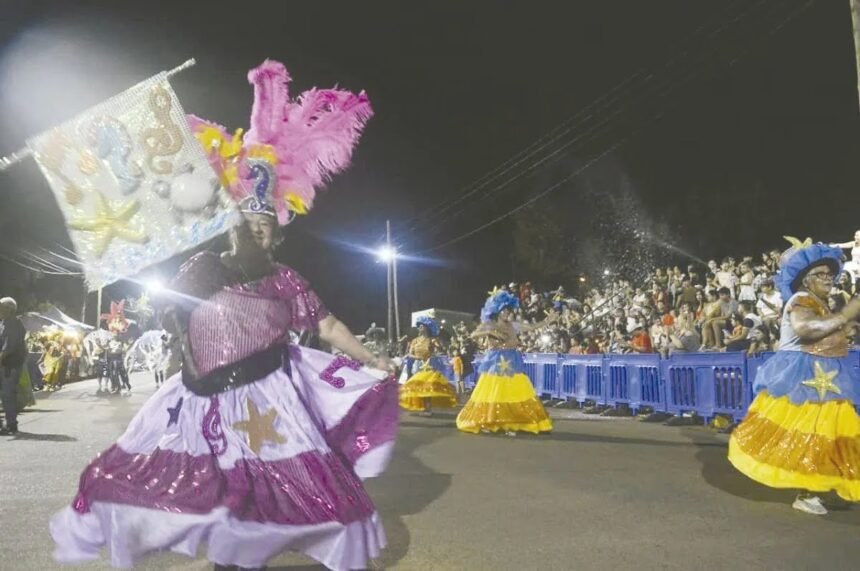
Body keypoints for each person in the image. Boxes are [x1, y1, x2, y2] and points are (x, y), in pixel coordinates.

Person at [51, 59, 397, 571]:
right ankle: (230, 558)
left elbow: (327, 326)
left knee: (288, 485)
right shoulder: (203, 267)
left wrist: (372, 358)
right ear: (231, 225)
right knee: (195, 480)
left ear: (276, 233)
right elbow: (172, 306)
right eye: (247, 221)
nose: (256, 229)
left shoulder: (285, 279)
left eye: (264, 224)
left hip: (269, 397)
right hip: (201, 396)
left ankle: (259, 551)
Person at [728, 239, 860, 515]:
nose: (828, 278)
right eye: (820, 274)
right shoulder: (801, 300)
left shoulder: (819, 302)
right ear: (805, 280)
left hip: (828, 376)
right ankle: (808, 491)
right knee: (812, 435)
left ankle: (826, 485)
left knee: (837, 434)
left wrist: (845, 327)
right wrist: (844, 316)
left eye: (829, 274)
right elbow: (807, 329)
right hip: (803, 377)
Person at [456, 290, 555, 435]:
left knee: (512, 391)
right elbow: (473, 334)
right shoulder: (490, 324)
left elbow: (531, 327)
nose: (506, 313)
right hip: (496, 360)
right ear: (496, 310)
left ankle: (510, 422)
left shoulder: (513, 325)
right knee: (495, 391)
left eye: (508, 311)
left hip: (512, 360)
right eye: (503, 310)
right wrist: (490, 332)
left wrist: (547, 321)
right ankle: (489, 420)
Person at [399, 316, 457, 415]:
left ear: (427, 327)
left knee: (428, 387)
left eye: (421, 326)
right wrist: (418, 358)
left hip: (429, 365)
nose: (419, 328)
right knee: (418, 387)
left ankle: (428, 408)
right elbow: (410, 354)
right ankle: (422, 406)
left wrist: (439, 345)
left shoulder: (432, 340)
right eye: (418, 326)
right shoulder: (415, 340)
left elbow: (442, 349)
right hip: (417, 365)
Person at [0, 297, 27, 435]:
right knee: (6, 394)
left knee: (8, 394)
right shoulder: (4, 323)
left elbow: (9, 347)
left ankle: (11, 424)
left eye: (1, 307)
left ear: (9, 309)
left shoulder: (13, 324)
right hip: (6, 364)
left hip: (10, 365)